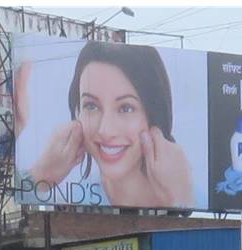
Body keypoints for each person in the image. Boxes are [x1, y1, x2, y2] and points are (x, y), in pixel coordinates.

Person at [26, 42, 193, 208]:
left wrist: (181, 200)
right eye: (91, 106)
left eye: (126, 108)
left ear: (154, 116)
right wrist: (39, 176)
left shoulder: (193, 196)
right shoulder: (72, 199)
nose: (106, 130)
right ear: (77, 113)